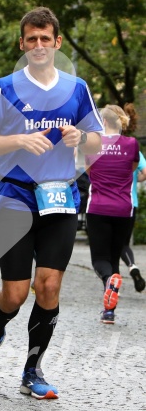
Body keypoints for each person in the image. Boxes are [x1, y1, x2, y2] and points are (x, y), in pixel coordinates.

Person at [0, 7, 102, 399]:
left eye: (46, 39)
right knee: (16, 293)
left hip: (60, 196)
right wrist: (18, 140)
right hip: (15, 197)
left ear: (57, 43)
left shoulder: (76, 88)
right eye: (32, 39)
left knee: (49, 286)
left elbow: (97, 139)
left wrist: (80, 137)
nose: (39, 45)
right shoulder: (5, 87)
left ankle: (33, 370)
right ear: (22, 44)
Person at [85, 106, 140, 323]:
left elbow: (90, 172)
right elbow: (132, 169)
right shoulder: (132, 144)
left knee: (100, 259)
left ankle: (109, 281)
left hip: (98, 207)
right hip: (123, 209)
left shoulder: (93, 144)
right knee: (115, 258)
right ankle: (109, 311)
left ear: (104, 122)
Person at [119, 104, 146, 293]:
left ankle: (111, 283)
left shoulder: (108, 145)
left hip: (108, 202)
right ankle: (132, 267)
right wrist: (135, 177)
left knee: (112, 246)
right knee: (123, 241)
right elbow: (144, 173)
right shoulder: (134, 147)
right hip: (131, 203)